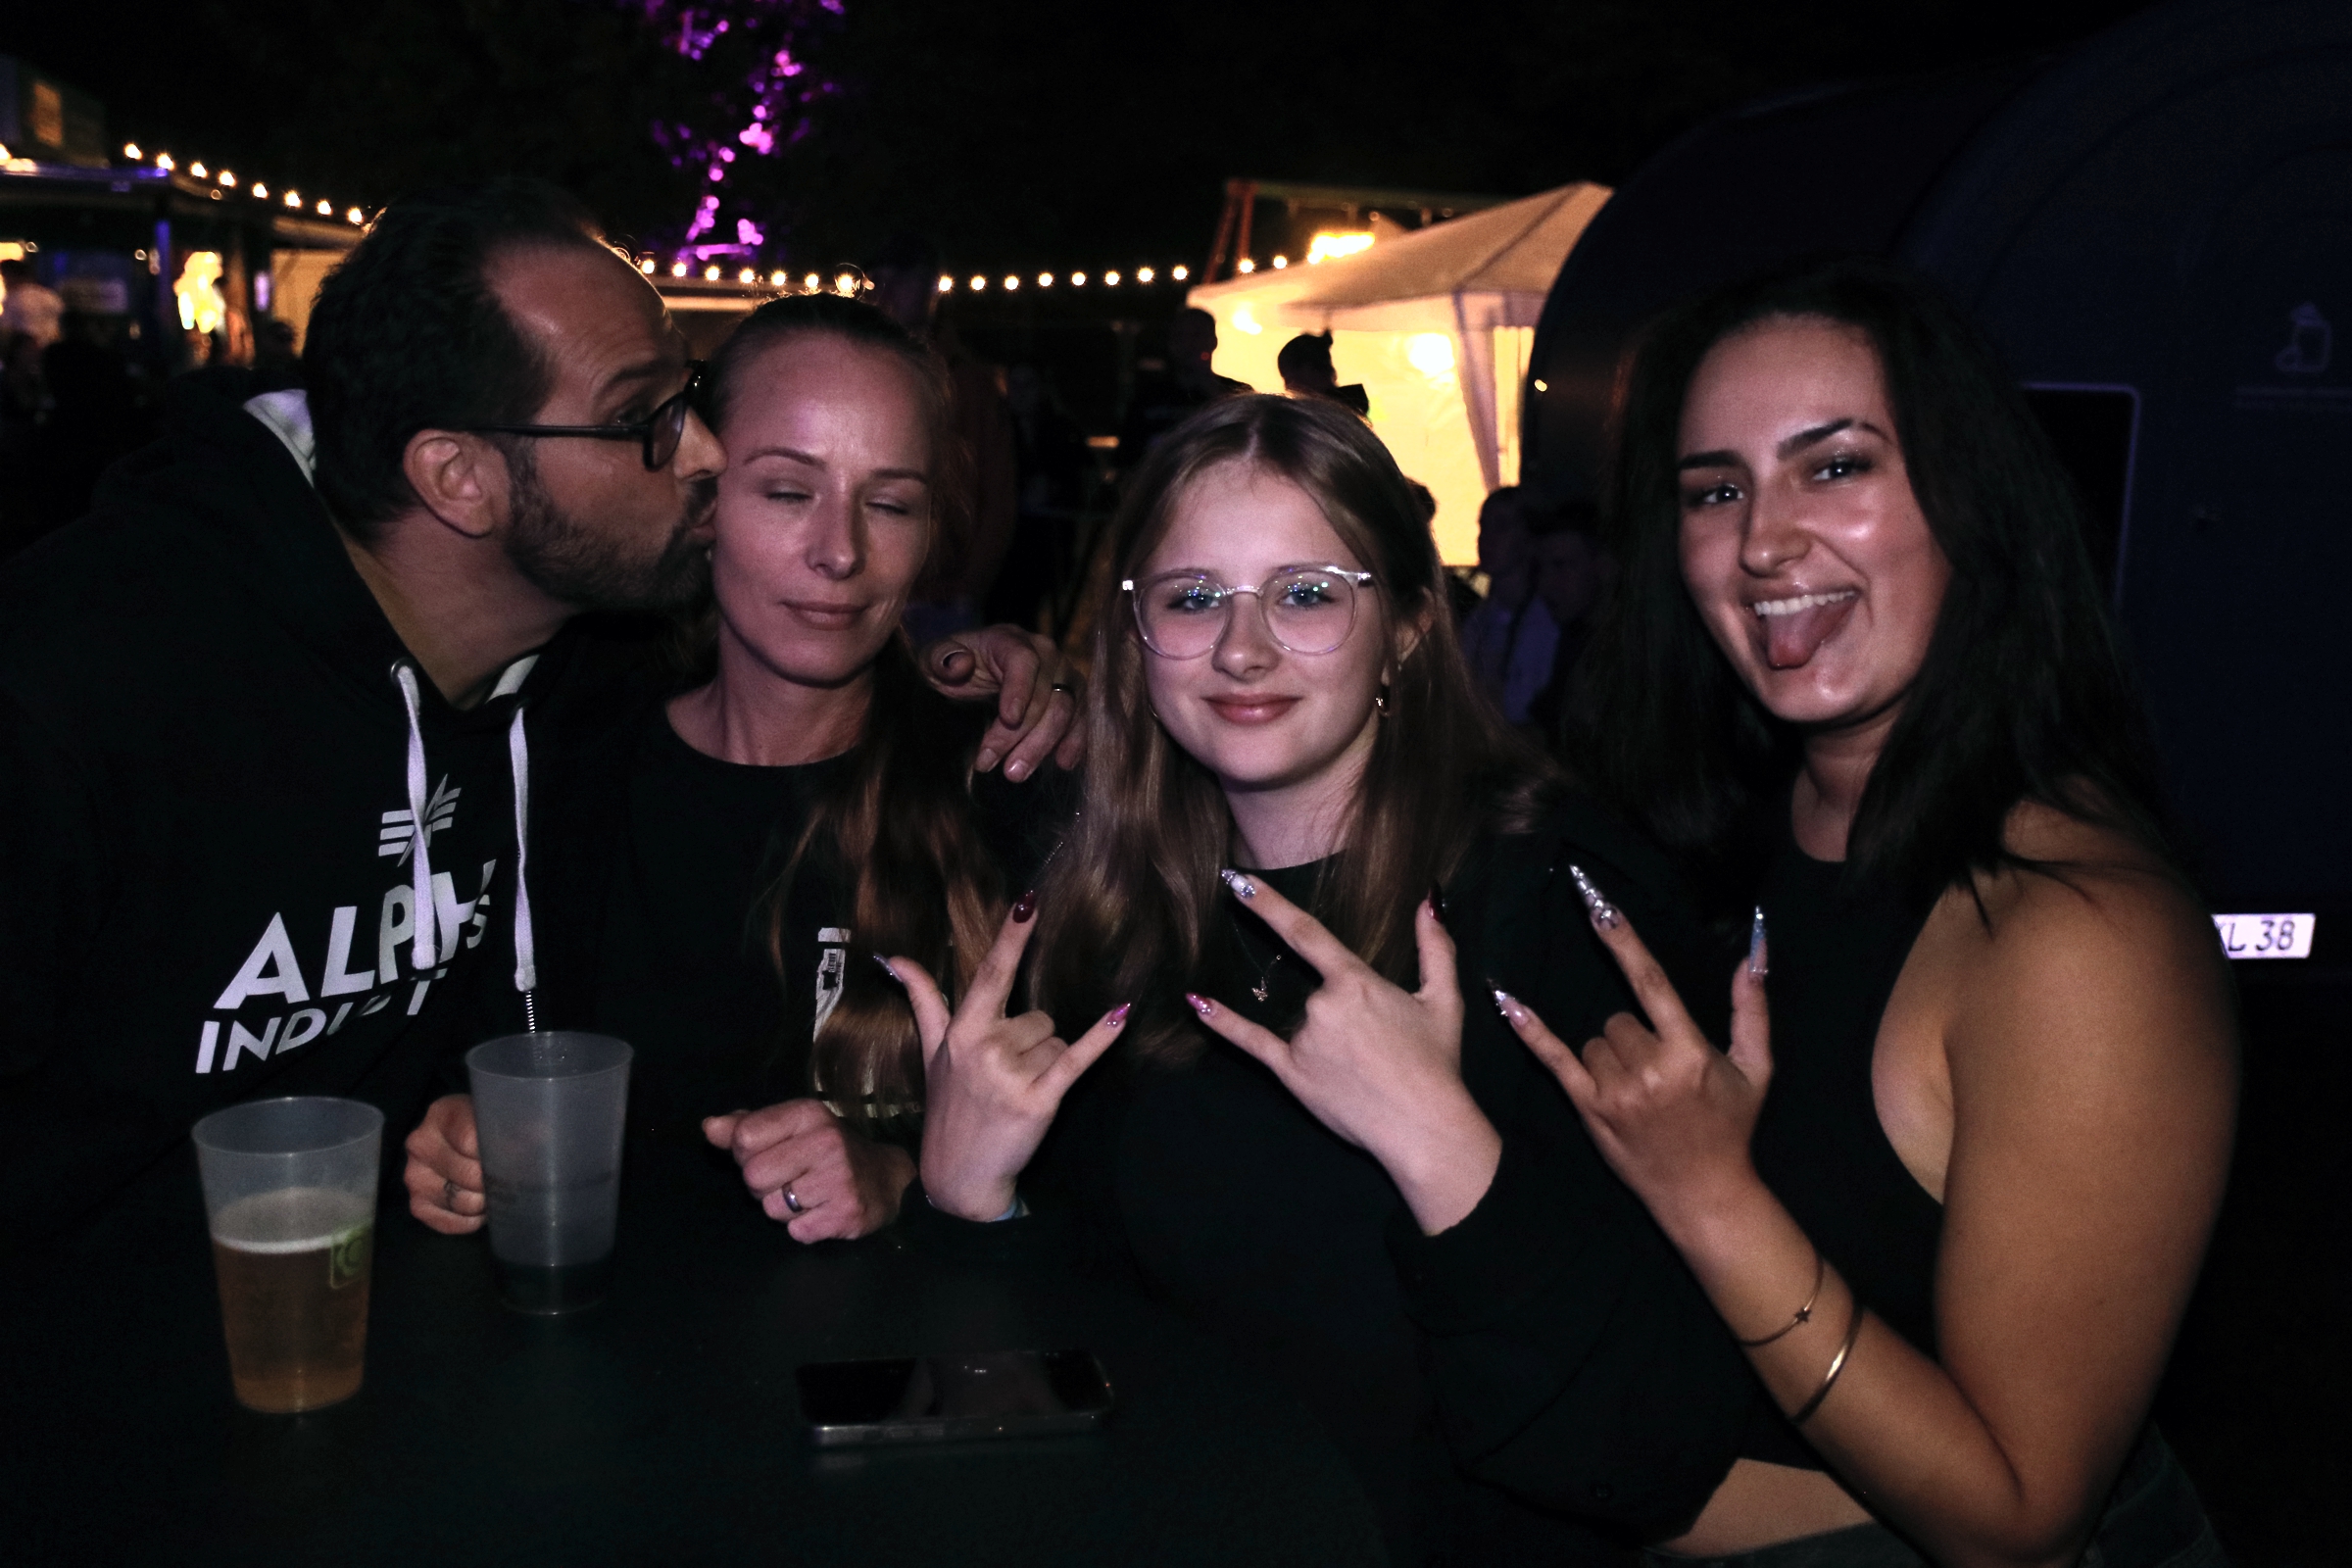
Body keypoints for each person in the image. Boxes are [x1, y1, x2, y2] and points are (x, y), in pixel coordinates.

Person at [0, 179, 1073, 1259]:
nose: (701, 456)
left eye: (891, 501)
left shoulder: (564, 690)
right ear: (459, 477)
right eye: (643, 419)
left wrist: (910, 1172)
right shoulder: (85, 685)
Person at [898, 394, 1757, 1564]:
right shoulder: (1111, 911)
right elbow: (1071, 1378)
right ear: (1135, 632)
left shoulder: (1555, 899)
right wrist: (969, 1207)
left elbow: (1649, 1452)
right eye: (1193, 597)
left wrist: (1441, 1143)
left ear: (1405, 625)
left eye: (1306, 594)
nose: (1241, 649)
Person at [1503, 258, 2233, 1566]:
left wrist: (1712, 1199)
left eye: (1834, 466)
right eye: (1715, 490)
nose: (1763, 541)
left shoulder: (2078, 939)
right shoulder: (1742, 821)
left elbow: (2019, 1522)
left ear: (1969, 500)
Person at [402, 293, 1077, 1244]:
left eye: (890, 503)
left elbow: (1112, 1191)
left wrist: (904, 1179)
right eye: (788, 492)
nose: (840, 552)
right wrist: (456, 1136)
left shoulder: (1010, 785)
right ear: (701, 498)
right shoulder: (558, 762)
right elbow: (462, 1053)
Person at [870, 232, 1020, 640]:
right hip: (870, 587)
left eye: (903, 280)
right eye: (880, 280)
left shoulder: (969, 383)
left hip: (942, 597)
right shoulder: (858, 373)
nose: (887, 293)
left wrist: (969, 585)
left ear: (932, 287)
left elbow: (998, 492)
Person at [1456, 485, 1558, 723]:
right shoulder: (1478, 620)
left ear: (1529, 538)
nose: (1486, 538)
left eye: (1501, 527)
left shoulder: (1546, 622)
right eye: (1484, 526)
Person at [1113, 307, 1251, 473]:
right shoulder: (1149, 396)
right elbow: (1127, 457)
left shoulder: (1236, 393)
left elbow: (1249, 442)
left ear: (1213, 341)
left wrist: (1210, 387)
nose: (1188, 344)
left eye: (1196, 335)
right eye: (1180, 336)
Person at [1523, 500, 1609, 738]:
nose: (1546, 583)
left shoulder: (1633, 649)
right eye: (1541, 569)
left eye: (1561, 566)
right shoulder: (1574, 638)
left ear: (1604, 566)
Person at [1277, 329, 1371, 416]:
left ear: (1309, 371)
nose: (1287, 386)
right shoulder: (1350, 408)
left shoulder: (1314, 416)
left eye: (1289, 378)